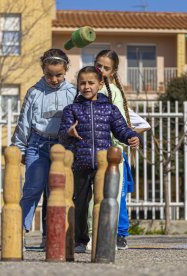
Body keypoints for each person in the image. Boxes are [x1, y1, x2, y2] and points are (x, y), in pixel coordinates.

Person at [58, 66, 141, 253]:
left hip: (103, 165)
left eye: (91, 83)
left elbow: (121, 129)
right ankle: (80, 240)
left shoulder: (109, 109)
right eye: (82, 83)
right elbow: (62, 135)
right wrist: (69, 132)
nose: (86, 87)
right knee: (79, 204)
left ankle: (105, 238)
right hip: (80, 163)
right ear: (77, 85)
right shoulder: (72, 109)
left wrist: (132, 137)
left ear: (100, 84)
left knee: (104, 202)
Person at [11, 48, 77, 248]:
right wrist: (19, 147)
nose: (54, 79)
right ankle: (18, 232)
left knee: (58, 191)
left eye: (58, 75)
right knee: (32, 188)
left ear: (65, 71)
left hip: (63, 147)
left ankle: (54, 236)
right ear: (43, 71)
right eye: (49, 75)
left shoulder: (73, 93)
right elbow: (24, 122)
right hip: (37, 145)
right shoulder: (34, 92)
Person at [94, 49, 150, 250]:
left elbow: (119, 121)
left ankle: (120, 233)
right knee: (94, 194)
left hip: (114, 151)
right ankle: (93, 232)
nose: (101, 70)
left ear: (113, 70)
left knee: (117, 194)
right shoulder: (86, 87)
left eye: (106, 68)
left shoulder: (114, 93)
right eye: (98, 65)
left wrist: (130, 136)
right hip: (92, 150)